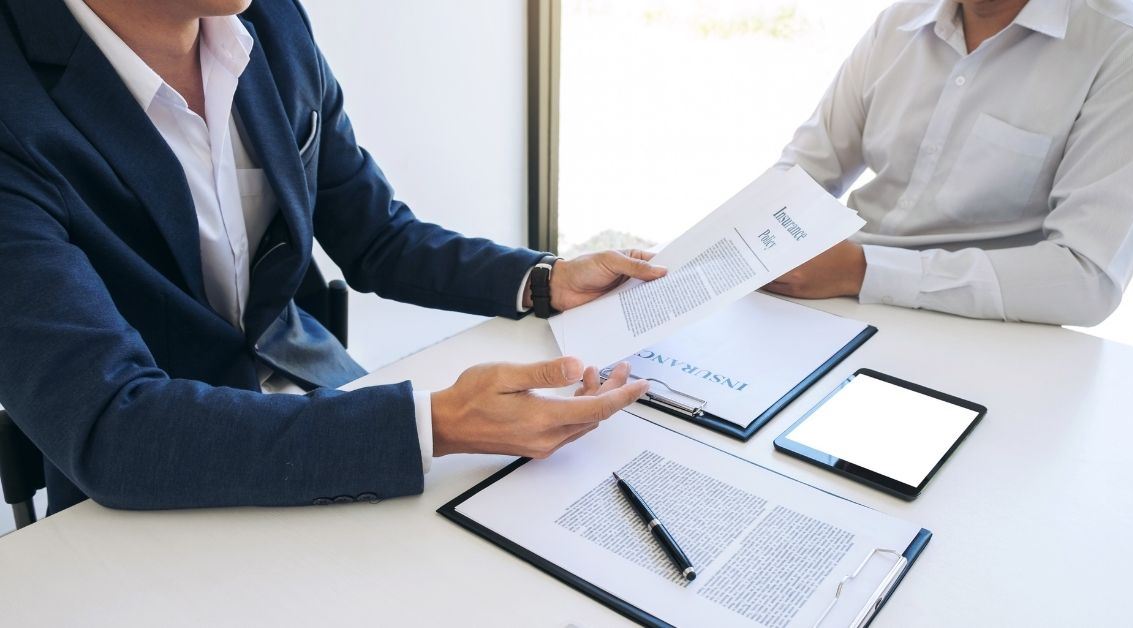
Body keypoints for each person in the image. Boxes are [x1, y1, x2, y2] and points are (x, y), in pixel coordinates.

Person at [0, 0, 664, 514]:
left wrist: (543, 280)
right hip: (151, 483)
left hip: (321, 407)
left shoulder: (272, 22)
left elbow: (377, 235)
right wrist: (431, 425)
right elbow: (113, 428)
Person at [764, 0, 1133, 326]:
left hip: (984, 334)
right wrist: (749, 242)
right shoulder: (901, 19)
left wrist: (862, 270)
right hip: (832, 299)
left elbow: (1087, 278)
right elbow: (803, 172)